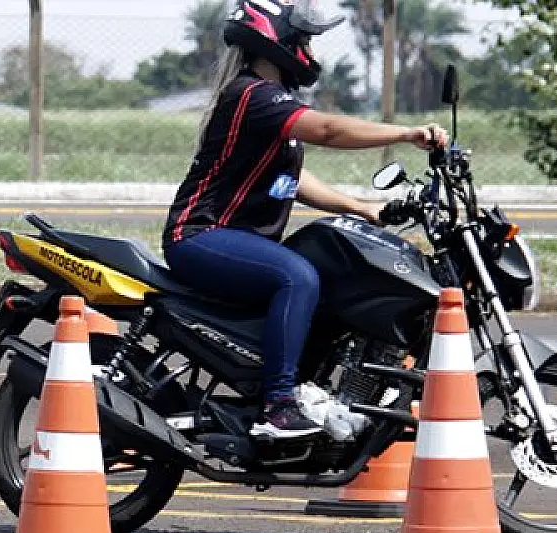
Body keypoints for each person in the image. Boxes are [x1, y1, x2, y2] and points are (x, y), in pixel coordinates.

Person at [161, 0, 449, 441]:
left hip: (235, 240)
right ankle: (278, 405)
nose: (311, 49)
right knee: (297, 277)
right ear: (276, 40)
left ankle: (311, 387)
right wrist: (406, 134)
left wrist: (362, 208)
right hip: (200, 235)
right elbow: (329, 130)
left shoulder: (272, 102)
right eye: (306, 38)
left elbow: (294, 180)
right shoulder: (253, 95)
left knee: (327, 269)